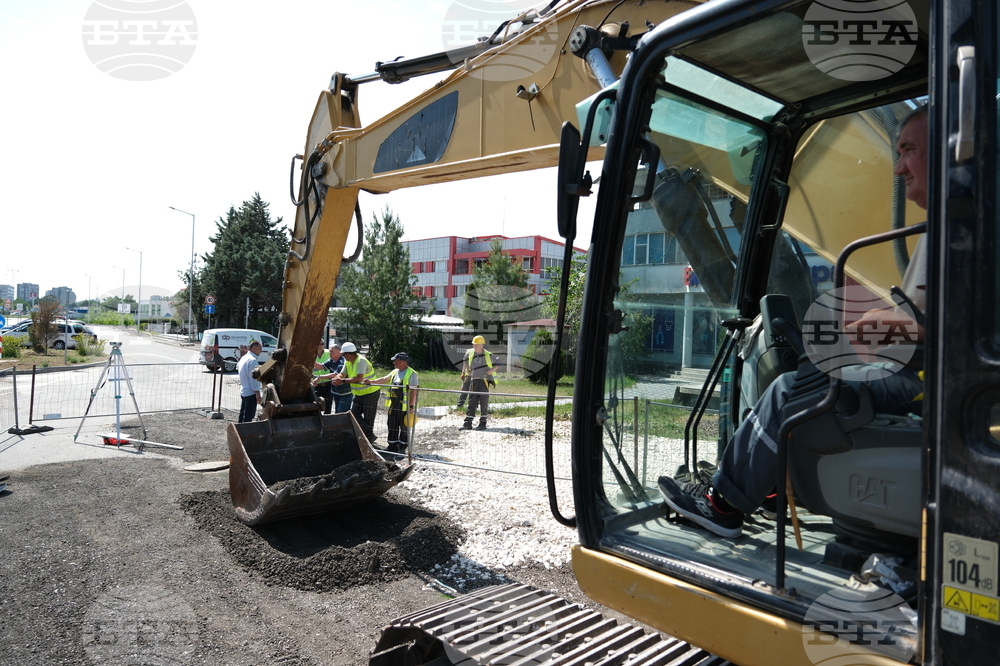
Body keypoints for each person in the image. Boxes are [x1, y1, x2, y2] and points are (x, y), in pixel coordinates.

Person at [657, 105, 929, 538]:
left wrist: (841, 339)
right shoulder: (951, 227)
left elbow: (915, 329)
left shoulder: (956, 233)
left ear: (950, 151)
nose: (897, 168)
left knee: (789, 387)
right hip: (928, 377)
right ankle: (765, 488)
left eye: (909, 150)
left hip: (924, 384)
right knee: (807, 375)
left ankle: (722, 506)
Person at [366, 352, 419, 454]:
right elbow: (384, 379)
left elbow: (414, 392)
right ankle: (392, 446)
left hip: (405, 408)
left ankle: (402, 448)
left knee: (404, 428)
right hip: (393, 406)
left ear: (400, 361)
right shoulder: (395, 372)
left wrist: (411, 407)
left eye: (395, 361)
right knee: (391, 426)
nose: (393, 362)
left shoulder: (412, 374)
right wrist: (371, 382)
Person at [334, 341, 380, 443]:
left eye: (343, 355)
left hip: (370, 392)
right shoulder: (348, 362)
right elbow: (342, 374)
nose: (343, 357)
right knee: (354, 415)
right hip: (359, 393)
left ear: (348, 354)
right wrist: (338, 378)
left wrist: (342, 381)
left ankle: (368, 438)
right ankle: (369, 436)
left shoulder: (361, 361)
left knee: (369, 417)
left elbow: (359, 378)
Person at [461, 335, 496, 430]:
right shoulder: (471, 353)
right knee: (471, 401)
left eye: (476, 345)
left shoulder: (488, 354)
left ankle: (483, 423)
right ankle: (467, 423)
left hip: (483, 381)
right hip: (474, 380)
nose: (474, 347)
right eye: (473, 345)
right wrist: (467, 371)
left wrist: (489, 372)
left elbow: (499, 364)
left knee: (483, 401)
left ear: (481, 345)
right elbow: (465, 361)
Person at [313, 342, 353, 414]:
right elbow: (320, 366)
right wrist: (310, 360)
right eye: (329, 351)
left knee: (341, 414)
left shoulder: (342, 361)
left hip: (345, 393)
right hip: (336, 392)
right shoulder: (332, 360)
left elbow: (336, 374)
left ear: (339, 352)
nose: (329, 353)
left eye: (332, 351)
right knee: (337, 413)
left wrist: (320, 377)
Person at [237, 340, 263, 423]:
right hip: (251, 392)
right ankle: (244, 434)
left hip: (244, 390)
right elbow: (254, 379)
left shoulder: (244, 358)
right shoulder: (253, 361)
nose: (261, 351)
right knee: (248, 417)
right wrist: (257, 394)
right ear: (254, 348)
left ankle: (238, 432)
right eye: (260, 348)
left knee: (242, 415)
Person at [312, 342, 334, 414]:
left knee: (328, 405)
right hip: (316, 384)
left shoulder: (329, 353)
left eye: (322, 344)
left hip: (328, 383)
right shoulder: (310, 354)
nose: (320, 346)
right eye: (318, 343)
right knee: (315, 404)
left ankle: (327, 422)